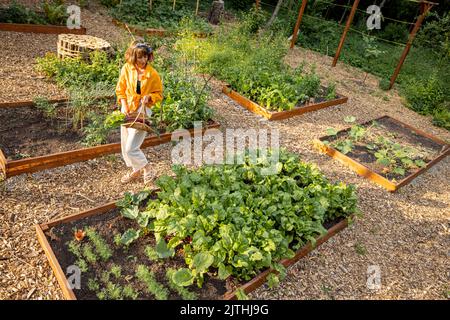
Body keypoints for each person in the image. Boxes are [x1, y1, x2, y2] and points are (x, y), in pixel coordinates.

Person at [116, 40, 163, 184]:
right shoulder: (126, 68)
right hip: (128, 108)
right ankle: (136, 171)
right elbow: (121, 89)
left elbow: (159, 94)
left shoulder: (153, 74)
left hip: (143, 110)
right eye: (139, 57)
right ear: (133, 57)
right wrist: (124, 105)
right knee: (125, 144)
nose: (143, 60)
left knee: (131, 148)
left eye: (145, 57)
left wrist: (149, 96)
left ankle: (148, 169)